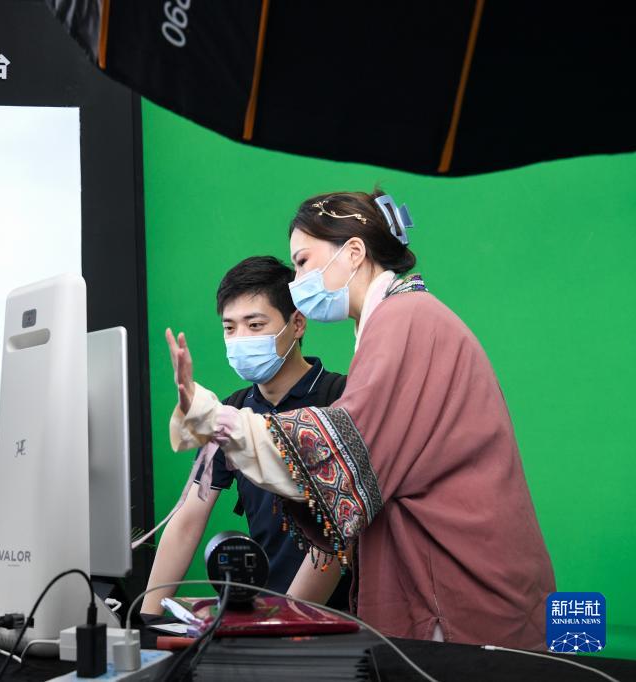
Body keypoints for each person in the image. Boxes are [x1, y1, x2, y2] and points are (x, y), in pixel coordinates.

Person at [165, 190, 555, 649]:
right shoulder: (401, 317)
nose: (297, 282)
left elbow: (342, 455)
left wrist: (216, 418)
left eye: (303, 262)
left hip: (458, 593)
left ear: (353, 252)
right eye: (229, 327)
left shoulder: (404, 319)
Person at [141, 256, 350, 615]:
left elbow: (337, 535)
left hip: (341, 617)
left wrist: (286, 618)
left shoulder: (341, 399)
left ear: (297, 323)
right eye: (230, 328)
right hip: (267, 611)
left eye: (255, 325)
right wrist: (147, 616)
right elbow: (189, 518)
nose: (241, 339)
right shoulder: (232, 411)